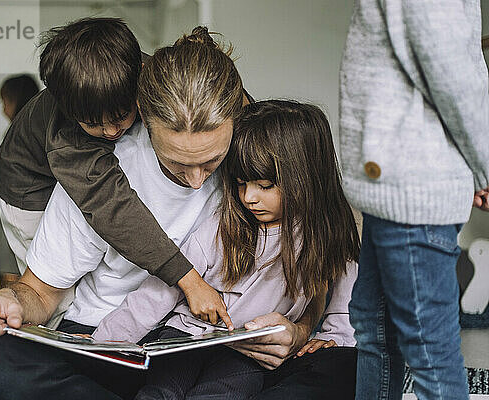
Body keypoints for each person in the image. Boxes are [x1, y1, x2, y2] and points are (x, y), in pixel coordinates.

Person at [0, 26, 246, 400]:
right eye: (177, 164)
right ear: (148, 112)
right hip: (107, 338)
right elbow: (41, 291)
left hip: (194, 346)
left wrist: (302, 326)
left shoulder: (249, 158)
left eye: (211, 161)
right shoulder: (91, 172)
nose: (196, 181)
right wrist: (10, 301)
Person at [91, 100, 361, 400]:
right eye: (241, 183)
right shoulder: (223, 224)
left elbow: (345, 297)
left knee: (223, 393)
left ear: (307, 178)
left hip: (247, 354)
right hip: (186, 337)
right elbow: (158, 293)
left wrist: (334, 337)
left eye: (264, 185)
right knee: (161, 391)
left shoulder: (327, 232)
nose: (248, 197)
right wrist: (103, 341)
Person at [0, 18, 230, 327]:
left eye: (121, 116)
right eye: (93, 124)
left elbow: (221, 97)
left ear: (138, 76)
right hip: (27, 187)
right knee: (58, 295)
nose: (111, 131)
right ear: (68, 109)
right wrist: (187, 278)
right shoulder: (70, 138)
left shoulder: (149, 73)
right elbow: (112, 207)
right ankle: (53, 350)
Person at [339, 1, 489, 399]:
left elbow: (454, 75)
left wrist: (484, 164)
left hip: (410, 184)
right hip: (390, 186)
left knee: (429, 350)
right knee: (374, 329)